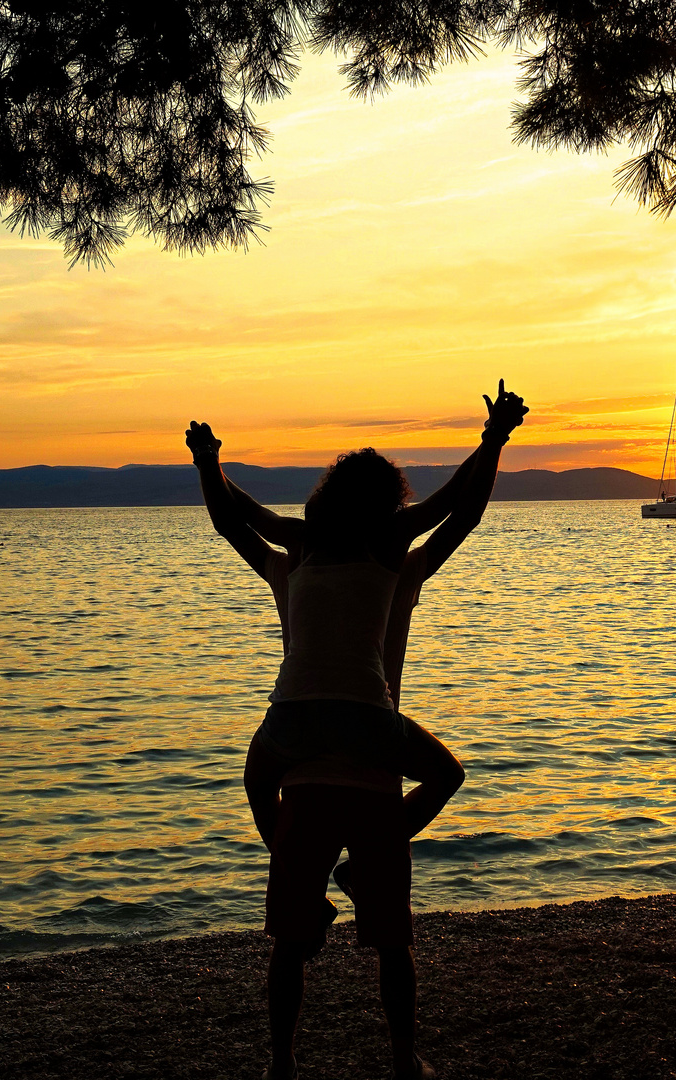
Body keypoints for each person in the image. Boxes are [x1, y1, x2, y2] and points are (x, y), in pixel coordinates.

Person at [186, 381, 528, 1079]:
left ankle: (281, 1062)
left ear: (326, 496)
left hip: (291, 730)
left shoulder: (297, 555)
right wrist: (493, 440)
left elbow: (235, 517)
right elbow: (455, 512)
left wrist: (207, 462)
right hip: (370, 732)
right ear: (387, 500)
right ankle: (404, 1061)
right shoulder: (390, 551)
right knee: (406, 902)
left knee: (260, 787)